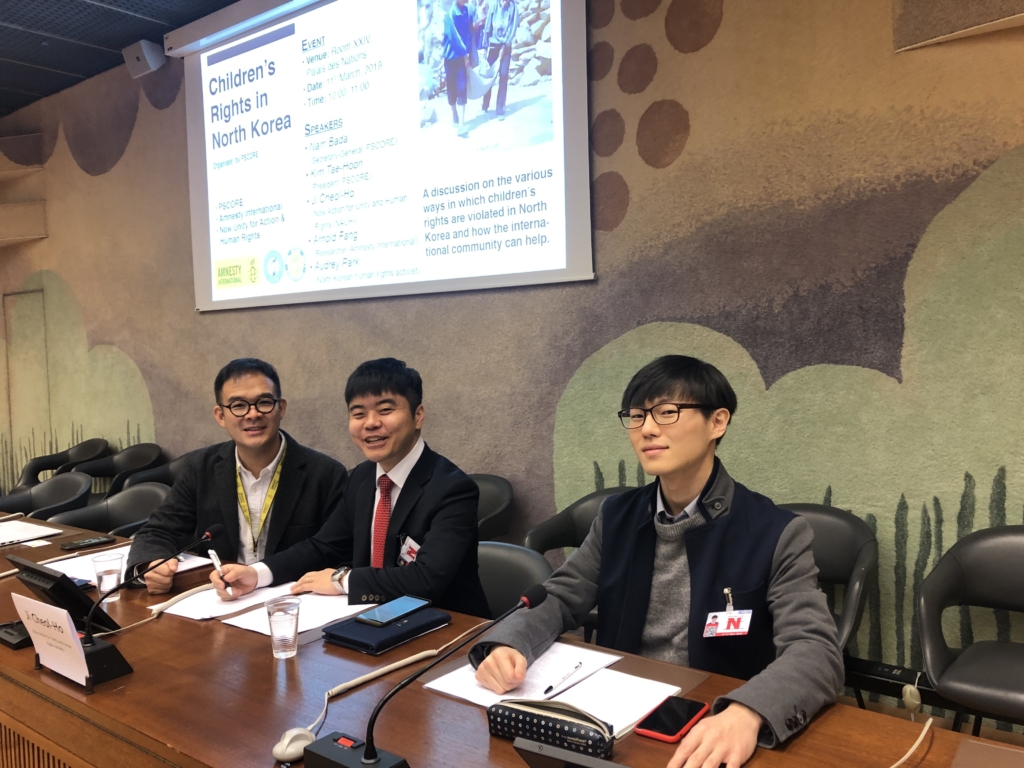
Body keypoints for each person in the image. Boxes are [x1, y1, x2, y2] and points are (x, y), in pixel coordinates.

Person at [470, 355, 844, 768]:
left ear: (718, 422)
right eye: (636, 415)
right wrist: (509, 642)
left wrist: (746, 712)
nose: (647, 428)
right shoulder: (617, 517)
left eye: (667, 412)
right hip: (616, 713)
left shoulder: (774, 531)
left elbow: (815, 650)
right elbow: (560, 597)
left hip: (714, 718)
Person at [213, 358, 490, 618]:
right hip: (370, 620)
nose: (370, 423)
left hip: (447, 628)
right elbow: (322, 548)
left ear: (418, 415)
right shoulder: (361, 478)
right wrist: (257, 574)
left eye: (385, 410)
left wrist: (341, 579)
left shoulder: (453, 489)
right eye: (358, 413)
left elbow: (426, 580)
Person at [127, 358, 348, 594]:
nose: (252, 414)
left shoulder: (325, 474)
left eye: (264, 403)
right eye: (238, 406)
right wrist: (150, 565)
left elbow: (336, 549)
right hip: (220, 599)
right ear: (220, 415)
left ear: (280, 408)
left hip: (292, 598)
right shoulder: (199, 468)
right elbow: (158, 531)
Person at [442, 0, 475, 136]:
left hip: (462, 57)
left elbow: (468, 33)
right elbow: (453, 38)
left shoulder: (467, 11)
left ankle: (461, 124)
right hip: (450, 58)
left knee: (462, 88)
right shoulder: (449, 15)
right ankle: (454, 113)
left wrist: (468, 53)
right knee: (452, 90)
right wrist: (465, 53)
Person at [481, 0, 519, 120]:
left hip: (505, 46)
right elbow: (487, 26)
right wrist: (485, 46)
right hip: (493, 46)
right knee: (489, 76)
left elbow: (512, 29)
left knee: (503, 76)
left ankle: (500, 107)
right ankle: (485, 104)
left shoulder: (513, 8)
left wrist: (505, 45)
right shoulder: (494, 6)